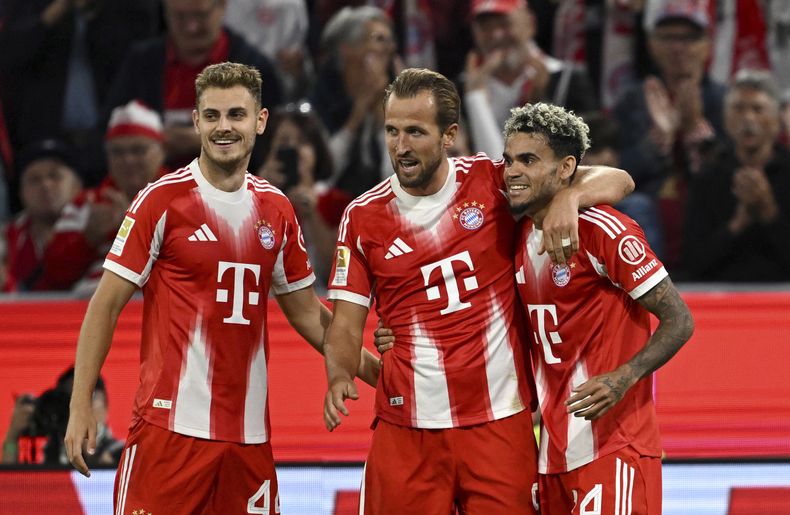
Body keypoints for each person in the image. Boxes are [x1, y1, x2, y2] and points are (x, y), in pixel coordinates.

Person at [64, 62, 379, 514]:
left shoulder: (277, 210)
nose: (223, 127)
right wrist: (80, 407)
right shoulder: (162, 200)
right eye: (211, 116)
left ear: (260, 121)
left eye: (236, 114)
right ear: (196, 122)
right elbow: (104, 306)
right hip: (168, 433)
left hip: (248, 441)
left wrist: (379, 375)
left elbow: (310, 314)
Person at [322, 68, 633, 514]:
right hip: (405, 428)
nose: (401, 146)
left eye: (415, 131)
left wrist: (570, 198)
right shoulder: (363, 216)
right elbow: (346, 324)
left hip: (498, 423)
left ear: (450, 134)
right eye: (392, 131)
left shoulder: (491, 182)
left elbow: (620, 178)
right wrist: (338, 374)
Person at [504, 102, 694, 513]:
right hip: (551, 456)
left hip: (615, 446)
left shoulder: (603, 229)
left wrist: (623, 378)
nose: (512, 171)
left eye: (528, 160)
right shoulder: (515, 234)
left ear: (566, 167)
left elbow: (679, 320)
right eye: (509, 160)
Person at [103, 0, 283, 170]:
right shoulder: (141, 63)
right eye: (180, 17)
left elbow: (272, 141)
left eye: (201, 16)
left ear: (222, 6)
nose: (191, 27)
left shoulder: (255, 68)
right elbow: (106, 131)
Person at [613, 0, 725, 272]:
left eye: (688, 38)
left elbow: (727, 174)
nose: (677, 47)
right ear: (652, 44)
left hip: (706, 214)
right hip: (648, 212)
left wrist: (695, 130)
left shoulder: (724, 99)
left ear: (707, 45)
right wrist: (656, 142)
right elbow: (615, 172)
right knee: (635, 206)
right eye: (667, 38)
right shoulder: (632, 100)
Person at [45, 99, 169, 296]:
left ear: (161, 152)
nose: (127, 159)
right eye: (117, 152)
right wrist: (89, 237)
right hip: (89, 307)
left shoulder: (186, 199)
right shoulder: (85, 204)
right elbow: (54, 275)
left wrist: (136, 230)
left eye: (138, 150)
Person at [683, 69, 790, 282]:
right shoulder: (708, 177)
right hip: (721, 297)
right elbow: (693, 263)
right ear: (725, 119)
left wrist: (768, 212)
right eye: (738, 109)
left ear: (777, 120)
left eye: (758, 109)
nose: (748, 118)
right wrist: (738, 224)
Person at [463, 0, 598, 157]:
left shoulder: (567, 81)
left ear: (530, 24)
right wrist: (475, 98)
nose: (496, 35)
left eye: (504, 23)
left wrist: (544, 102)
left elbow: (589, 155)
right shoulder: (459, 90)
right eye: (485, 27)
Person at [3, 139, 82, 292]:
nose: (45, 185)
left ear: (77, 186)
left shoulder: (98, 231)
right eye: (34, 179)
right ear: (21, 192)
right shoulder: (6, 239)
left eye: (55, 176)